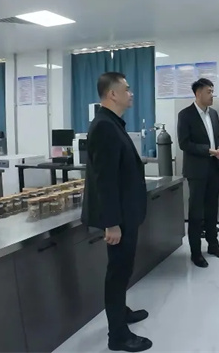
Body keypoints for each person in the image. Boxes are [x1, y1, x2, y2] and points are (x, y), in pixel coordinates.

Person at [81, 72, 152, 352]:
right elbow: (105, 180)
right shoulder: (104, 127)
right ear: (112, 94)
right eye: (127, 89)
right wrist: (111, 223)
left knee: (123, 269)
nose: (131, 93)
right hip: (118, 218)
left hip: (125, 213)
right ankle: (118, 336)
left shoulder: (113, 123)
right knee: (118, 272)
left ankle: (121, 312)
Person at [176, 78, 219, 268]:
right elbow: (184, 143)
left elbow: (218, 136)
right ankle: (196, 252)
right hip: (196, 171)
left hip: (214, 168)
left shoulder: (213, 114)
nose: (212, 95)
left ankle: (213, 245)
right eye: (209, 91)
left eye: (212, 91)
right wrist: (209, 150)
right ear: (198, 93)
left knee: (212, 209)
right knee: (196, 212)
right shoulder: (185, 115)